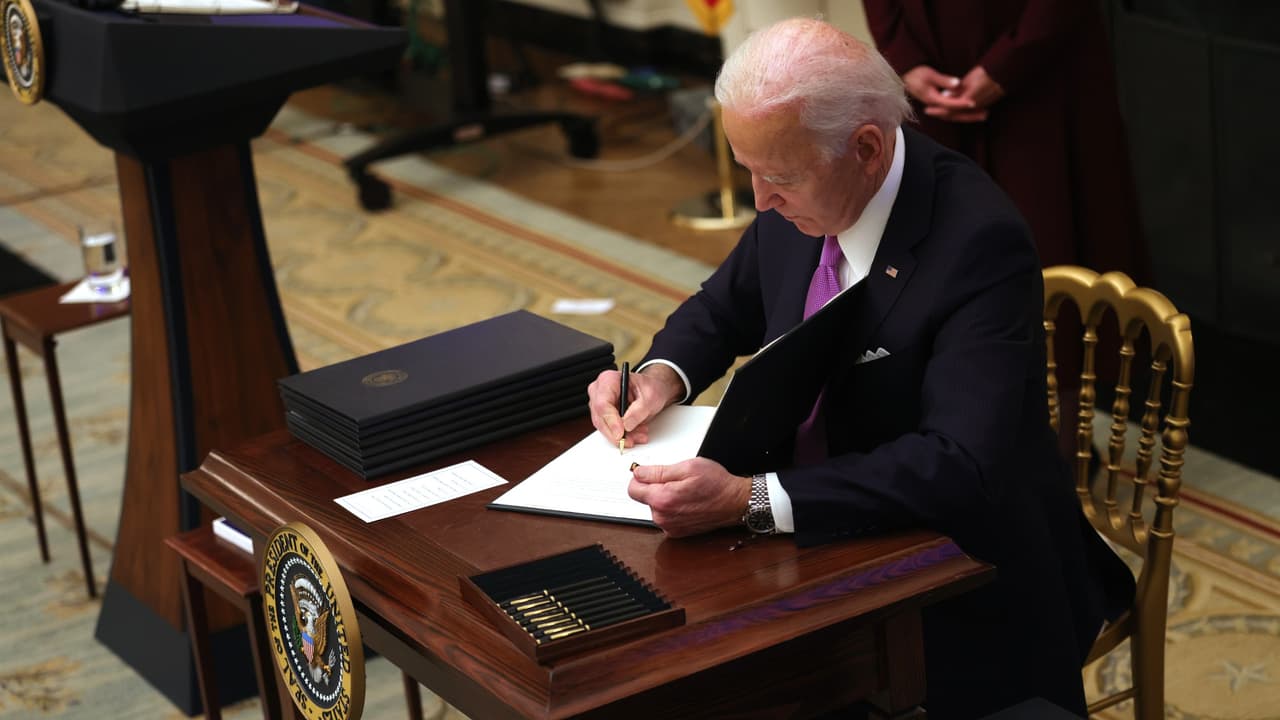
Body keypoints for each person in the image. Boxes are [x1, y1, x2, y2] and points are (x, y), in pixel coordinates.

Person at [586, 18, 1133, 719]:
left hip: (953, 570)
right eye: (748, 171)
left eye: (776, 177)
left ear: (866, 149)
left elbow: (958, 465)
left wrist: (751, 499)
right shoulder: (803, 187)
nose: (759, 201)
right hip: (802, 536)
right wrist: (661, 375)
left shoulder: (978, 241)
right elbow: (724, 307)